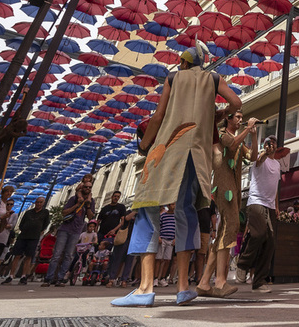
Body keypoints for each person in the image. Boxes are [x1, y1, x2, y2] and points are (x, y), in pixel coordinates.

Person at [112, 43, 241, 308]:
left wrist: (145, 145)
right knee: (186, 212)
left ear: (183, 63)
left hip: (169, 149)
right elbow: (236, 102)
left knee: (148, 211)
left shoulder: (174, 77)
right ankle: (183, 288)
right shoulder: (213, 78)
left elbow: (159, 117)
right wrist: (217, 114)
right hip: (197, 155)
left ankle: (145, 289)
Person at [197, 111, 254, 298]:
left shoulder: (239, 138)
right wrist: (247, 129)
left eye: (241, 116)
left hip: (235, 187)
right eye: (237, 116)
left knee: (225, 230)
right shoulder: (221, 134)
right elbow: (231, 146)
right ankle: (220, 281)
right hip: (223, 187)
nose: (240, 119)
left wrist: (253, 135)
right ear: (228, 118)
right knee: (231, 226)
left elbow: (252, 157)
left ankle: (205, 283)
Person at [236, 132, 284, 294]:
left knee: (271, 242)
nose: (272, 145)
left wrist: (276, 206)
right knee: (259, 234)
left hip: (270, 206)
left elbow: (274, 187)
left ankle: (259, 282)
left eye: (274, 143)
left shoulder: (277, 165)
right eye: (269, 143)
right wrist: (264, 152)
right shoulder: (259, 158)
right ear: (265, 145)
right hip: (256, 202)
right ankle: (242, 263)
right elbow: (260, 159)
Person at [43, 174, 95, 287]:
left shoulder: (90, 201)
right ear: (82, 186)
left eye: (90, 187)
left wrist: (88, 206)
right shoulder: (74, 198)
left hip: (76, 230)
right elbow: (64, 212)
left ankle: (60, 278)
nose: (88, 189)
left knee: (69, 255)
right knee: (57, 254)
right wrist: (77, 205)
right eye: (86, 186)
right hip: (65, 229)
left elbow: (91, 218)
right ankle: (49, 278)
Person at [3, 196, 49, 284]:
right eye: (37, 202)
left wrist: (39, 232)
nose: (38, 204)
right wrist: (24, 229)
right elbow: (21, 223)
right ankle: (11, 275)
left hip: (34, 237)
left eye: (40, 202)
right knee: (17, 255)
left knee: (29, 256)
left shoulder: (45, 212)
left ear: (43, 203)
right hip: (23, 236)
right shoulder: (28, 212)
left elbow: (45, 224)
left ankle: (23, 276)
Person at [154, 207, 175, 287]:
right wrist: (159, 236)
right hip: (162, 238)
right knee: (158, 259)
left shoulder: (176, 216)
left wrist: (175, 238)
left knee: (167, 260)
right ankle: (155, 278)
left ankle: (162, 278)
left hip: (171, 240)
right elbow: (158, 226)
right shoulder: (163, 215)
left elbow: (177, 228)